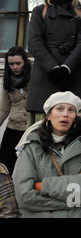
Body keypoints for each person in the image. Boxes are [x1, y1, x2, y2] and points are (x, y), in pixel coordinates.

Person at [13, 91, 81, 218]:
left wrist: (43, 186)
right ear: (49, 115)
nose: (66, 114)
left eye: (71, 110)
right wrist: (76, 201)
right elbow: (24, 197)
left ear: (75, 116)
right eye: (59, 109)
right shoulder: (31, 145)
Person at [26, 0, 81, 125]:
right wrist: (53, 68)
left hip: (74, 76)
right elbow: (34, 43)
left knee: (74, 128)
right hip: (45, 76)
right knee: (42, 131)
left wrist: (66, 68)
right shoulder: (39, 11)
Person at [0, 46, 31, 174]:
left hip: (33, 128)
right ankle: (6, 193)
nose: (15, 67)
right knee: (4, 167)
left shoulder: (36, 78)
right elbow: (3, 109)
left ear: (25, 62)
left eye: (18, 63)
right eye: (11, 64)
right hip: (14, 127)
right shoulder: (6, 82)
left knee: (33, 167)